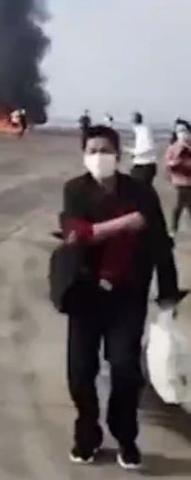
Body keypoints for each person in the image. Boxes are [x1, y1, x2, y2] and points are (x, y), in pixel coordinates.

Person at [61, 125, 185, 470]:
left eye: (105, 150)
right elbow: (75, 233)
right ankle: (87, 435)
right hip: (86, 295)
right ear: (85, 155)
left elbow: (161, 244)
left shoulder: (141, 194)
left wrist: (168, 293)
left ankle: (126, 438)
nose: (99, 156)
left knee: (125, 370)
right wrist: (122, 225)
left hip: (127, 295)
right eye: (92, 150)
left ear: (118, 154)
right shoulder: (75, 190)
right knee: (80, 373)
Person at [165, 119, 191, 237]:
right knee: (178, 206)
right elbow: (169, 163)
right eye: (179, 131)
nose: (182, 133)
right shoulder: (173, 147)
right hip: (180, 182)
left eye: (184, 130)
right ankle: (173, 230)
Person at [127, 112, 157, 186]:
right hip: (141, 164)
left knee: (140, 190)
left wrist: (132, 151)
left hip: (145, 165)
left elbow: (148, 147)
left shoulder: (143, 130)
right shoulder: (140, 130)